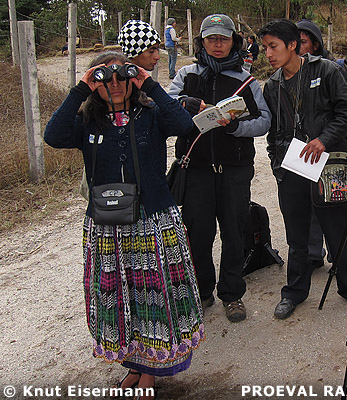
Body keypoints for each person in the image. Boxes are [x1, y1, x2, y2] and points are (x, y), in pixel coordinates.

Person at [44, 51, 203, 399]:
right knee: (122, 299)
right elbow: (52, 136)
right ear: (94, 84)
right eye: (105, 78)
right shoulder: (87, 121)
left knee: (153, 297)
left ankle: (150, 371)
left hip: (152, 220)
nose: (114, 84)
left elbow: (184, 125)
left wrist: (148, 83)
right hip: (107, 224)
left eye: (122, 77)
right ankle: (134, 364)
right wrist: (79, 90)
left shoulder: (151, 114)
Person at [258, 19, 347, 320]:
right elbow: (275, 131)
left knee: (337, 231)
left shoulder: (327, 71)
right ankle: (294, 291)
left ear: (293, 45)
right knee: (296, 236)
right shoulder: (273, 84)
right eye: (264, 48)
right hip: (291, 168)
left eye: (273, 46)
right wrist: (277, 164)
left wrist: (324, 140)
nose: (267, 53)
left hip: (327, 165)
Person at [168, 14, 271, 323]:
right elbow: (165, 110)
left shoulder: (246, 80)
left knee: (234, 231)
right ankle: (201, 292)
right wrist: (187, 103)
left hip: (235, 171)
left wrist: (234, 126)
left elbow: (264, 121)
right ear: (202, 42)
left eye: (223, 39)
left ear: (233, 42)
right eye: (211, 39)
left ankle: (232, 295)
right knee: (198, 235)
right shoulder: (186, 75)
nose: (217, 44)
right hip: (196, 171)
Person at [295, 18, 347, 269]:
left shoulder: (334, 70)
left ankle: (341, 260)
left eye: (302, 42)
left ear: (315, 44)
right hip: (305, 153)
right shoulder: (293, 71)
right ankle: (314, 254)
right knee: (311, 204)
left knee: (336, 205)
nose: (297, 47)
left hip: (335, 151)